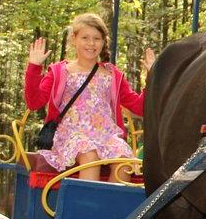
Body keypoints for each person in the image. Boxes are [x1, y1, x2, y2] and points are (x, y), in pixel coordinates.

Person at [24, 12, 155, 181]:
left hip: (106, 135)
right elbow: (34, 102)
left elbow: (139, 107)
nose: (91, 43)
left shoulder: (112, 75)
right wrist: (34, 67)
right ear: (74, 39)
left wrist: (152, 78)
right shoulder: (60, 71)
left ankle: (110, 207)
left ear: (103, 42)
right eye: (85, 37)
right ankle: (85, 207)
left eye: (97, 38)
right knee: (90, 156)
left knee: (124, 160)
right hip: (72, 135)